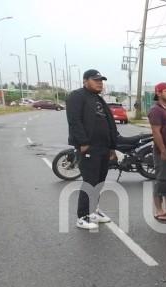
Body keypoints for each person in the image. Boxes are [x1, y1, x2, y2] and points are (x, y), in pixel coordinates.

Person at [66, 69, 118, 230]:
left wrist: (112, 147)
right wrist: (83, 142)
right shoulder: (77, 96)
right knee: (89, 182)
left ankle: (93, 210)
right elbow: (74, 121)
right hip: (89, 147)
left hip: (103, 148)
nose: (99, 82)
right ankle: (82, 216)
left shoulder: (98, 99)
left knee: (99, 181)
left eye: (101, 80)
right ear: (85, 81)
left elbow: (108, 122)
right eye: (96, 80)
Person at [148, 82, 166, 222]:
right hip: (163, 152)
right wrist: (163, 151)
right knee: (161, 180)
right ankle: (159, 209)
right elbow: (156, 132)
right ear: (158, 93)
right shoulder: (156, 110)